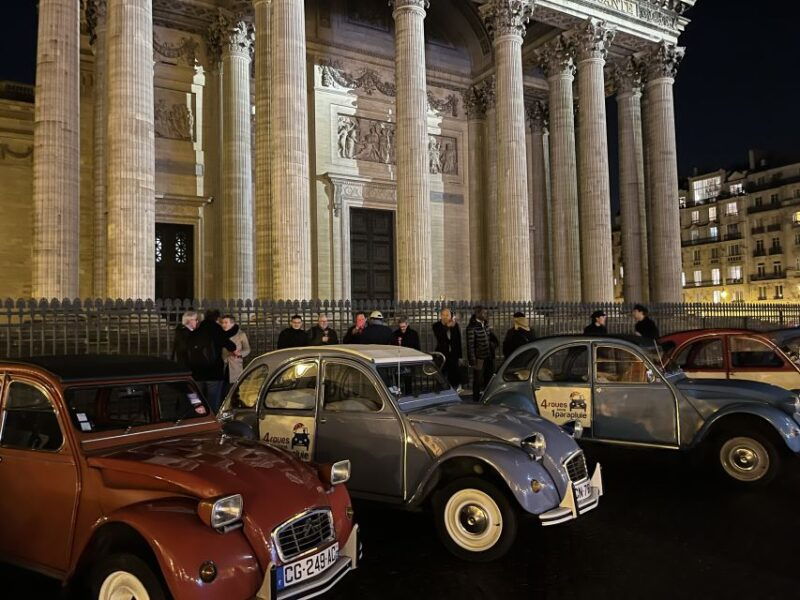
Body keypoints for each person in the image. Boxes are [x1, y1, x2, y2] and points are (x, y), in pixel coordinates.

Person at [188, 309, 238, 413]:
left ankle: (198, 418)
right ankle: (212, 418)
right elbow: (230, 345)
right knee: (213, 400)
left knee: (198, 401)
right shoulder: (216, 329)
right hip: (214, 371)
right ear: (217, 318)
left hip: (197, 371)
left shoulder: (197, 328)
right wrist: (235, 328)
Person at [466, 306, 498, 400]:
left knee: (489, 378)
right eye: (484, 313)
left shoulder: (486, 325)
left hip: (488, 356)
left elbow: (491, 338)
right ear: (478, 314)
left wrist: (492, 345)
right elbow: (470, 345)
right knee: (478, 380)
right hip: (479, 358)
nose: (486, 314)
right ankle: (476, 399)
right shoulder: (471, 327)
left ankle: (486, 397)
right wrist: (473, 361)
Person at [432, 308, 463, 390]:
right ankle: (440, 392)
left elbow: (458, 341)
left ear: (451, 316)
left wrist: (460, 357)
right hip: (442, 355)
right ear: (441, 316)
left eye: (447, 315)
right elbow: (440, 336)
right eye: (444, 315)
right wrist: (447, 327)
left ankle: (453, 390)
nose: (445, 317)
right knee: (441, 376)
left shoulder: (455, 325)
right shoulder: (436, 325)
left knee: (454, 376)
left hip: (453, 355)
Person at [221, 314, 250, 384]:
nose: (223, 325)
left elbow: (247, 349)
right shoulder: (220, 334)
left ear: (232, 323)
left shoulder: (241, 334)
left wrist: (239, 353)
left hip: (235, 365)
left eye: (226, 322)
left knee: (234, 386)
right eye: (222, 323)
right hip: (222, 364)